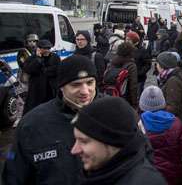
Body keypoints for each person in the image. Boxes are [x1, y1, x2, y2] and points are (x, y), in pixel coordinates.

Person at [4, 55, 101, 184]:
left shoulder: (116, 114)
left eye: (89, 82)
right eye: (76, 84)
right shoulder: (32, 124)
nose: (85, 91)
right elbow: (14, 175)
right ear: (61, 86)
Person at [71, 96, 166, 185]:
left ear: (111, 142)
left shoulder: (146, 181)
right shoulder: (100, 171)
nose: (74, 150)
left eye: (84, 141)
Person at [139, 86, 182, 185]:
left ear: (142, 105)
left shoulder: (138, 127)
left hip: (151, 176)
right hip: (175, 173)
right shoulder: (176, 123)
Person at [22, 39, 60, 115]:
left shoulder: (55, 57)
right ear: (38, 49)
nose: (47, 50)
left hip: (51, 89)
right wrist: (38, 59)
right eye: (44, 48)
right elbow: (28, 70)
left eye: (48, 48)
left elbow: (57, 70)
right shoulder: (32, 58)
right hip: (36, 90)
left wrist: (45, 71)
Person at [156, 52, 182, 127]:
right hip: (174, 121)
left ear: (163, 65)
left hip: (174, 124)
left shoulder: (173, 81)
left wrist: (158, 113)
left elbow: (173, 107)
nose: (156, 65)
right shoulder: (170, 76)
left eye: (157, 63)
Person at [104, 42, 138, 109]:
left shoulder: (112, 62)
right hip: (125, 98)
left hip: (110, 95)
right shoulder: (131, 65)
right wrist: (134, 103)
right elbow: (133, 86)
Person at [127, 31, 152, 96]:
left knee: (137, 95)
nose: (126, 41)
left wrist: (139, 73)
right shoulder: (125, 49)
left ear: (135, 41)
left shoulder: (142, 51)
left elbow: (147, 64)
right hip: (127, 78)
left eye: (129, 40)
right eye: (126, 39)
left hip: (139, 79)